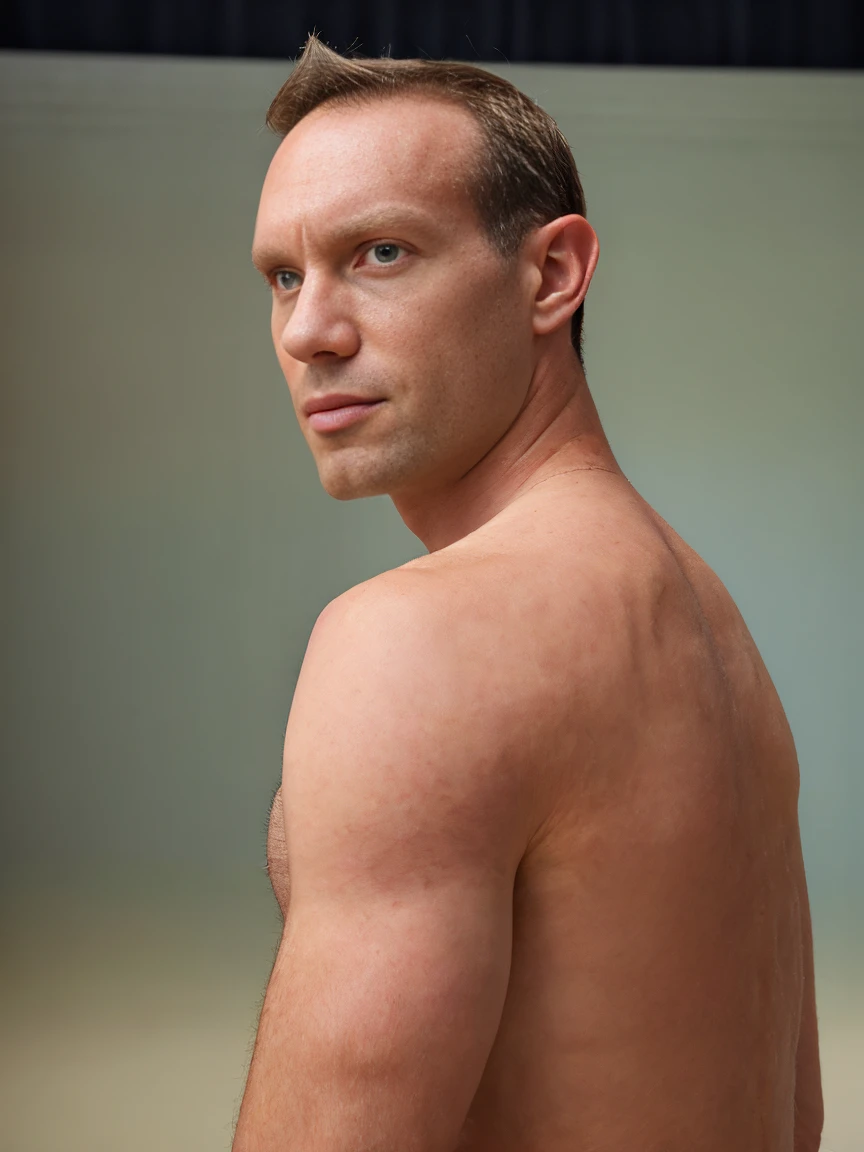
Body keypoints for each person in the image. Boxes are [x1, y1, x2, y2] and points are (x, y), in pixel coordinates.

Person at [234, 34, 822, 1151]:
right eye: (283, 276)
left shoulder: (419, 641)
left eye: (382, 252)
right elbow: (795, 1120)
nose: (308, 330)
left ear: (552, 274)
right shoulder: (716, 637)